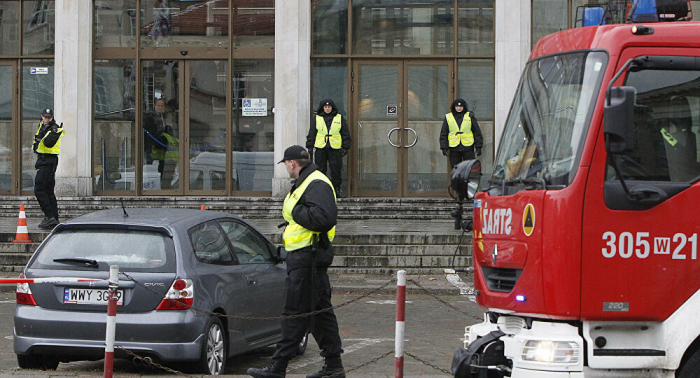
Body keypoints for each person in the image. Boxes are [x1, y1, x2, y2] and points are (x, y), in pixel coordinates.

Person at [247, 145, 345, 378]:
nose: (286, 168)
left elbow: (323, 218)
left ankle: (278, 367)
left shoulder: (315, 182)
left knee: (294, 312)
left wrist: (295, 210)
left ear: (292, 163)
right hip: (305, 256)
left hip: (308, 257)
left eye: (286, 164)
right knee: (320, 313)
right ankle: (333, 366)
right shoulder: (308, 181)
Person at [306, 99, 351, 198]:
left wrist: (345, 147)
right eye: (325, 107)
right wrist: (310, 145)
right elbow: (312, 133)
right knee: (320, 170)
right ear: (322, 108)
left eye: (329, 107)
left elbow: (345, 133)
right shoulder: (317, 118)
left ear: (332, 107)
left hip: (335, 148)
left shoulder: (339, 118)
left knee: (336, 170)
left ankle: (337, 189)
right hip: (321, 148)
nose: (327, 109)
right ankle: (320, 191)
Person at [33, 108, 65, 230]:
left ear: (52, 118)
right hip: (43, 160)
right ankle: (53, 218)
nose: (47, 119)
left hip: (49, 161)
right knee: (48, 190)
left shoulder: (55, 129)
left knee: (39, 189)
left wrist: (53, 131)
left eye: (49, 117)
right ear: (42, 116)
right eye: (45, 117)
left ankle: (49, 216)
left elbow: (48, 143)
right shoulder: (42, 126)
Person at [439, 98, 483, 169]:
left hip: (468, 147)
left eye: (460, 106)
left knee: (469, 168)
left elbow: (476, 132)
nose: (459, 108)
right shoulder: (448, 117)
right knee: (456, 169)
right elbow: (444, 133)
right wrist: (444, 147)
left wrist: (478, 146)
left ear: (464, 107)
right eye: (457, 106)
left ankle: (468, 180)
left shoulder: (469, 116)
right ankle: (457, 180)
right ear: (454, 107)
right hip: (454, 148)